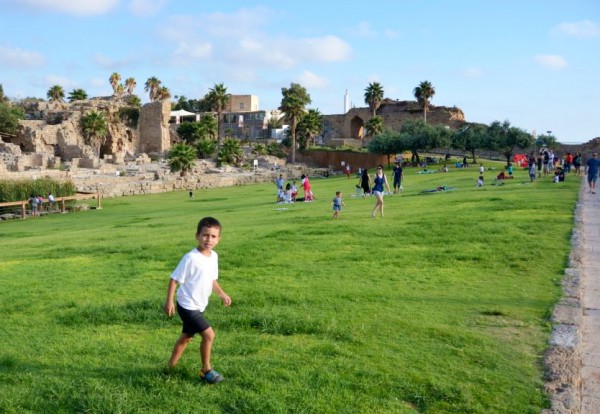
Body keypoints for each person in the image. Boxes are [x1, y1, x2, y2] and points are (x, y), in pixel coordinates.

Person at [163, 217, 232, 384]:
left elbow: (211, 279)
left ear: (219, 239)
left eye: (213, 236)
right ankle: (206, 369)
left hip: (199, 305)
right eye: (205, 235)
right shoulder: (190, 258)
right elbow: (174, 279)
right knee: (209, 335)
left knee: (186, 337)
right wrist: (169, 301)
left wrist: (221, 293)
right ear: (197, 236)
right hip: (187, 305)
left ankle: (169, 368)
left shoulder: (214, 256)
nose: (209, 239)